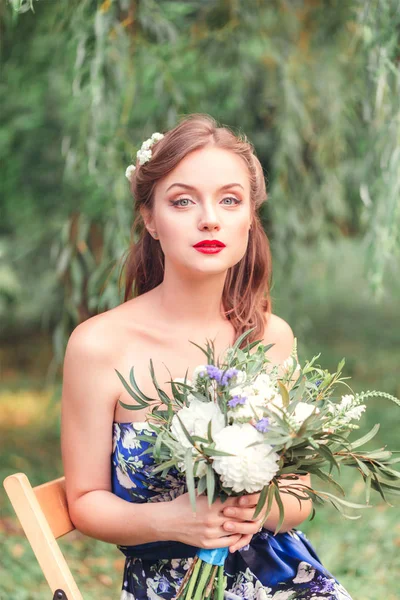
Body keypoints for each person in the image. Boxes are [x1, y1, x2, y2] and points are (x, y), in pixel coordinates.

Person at [61, 114, 353, 599]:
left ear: (248, 219)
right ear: (150, 219)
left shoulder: (270, 337)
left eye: (230, 200)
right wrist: (176, 520)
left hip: (282, 578)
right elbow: (85, 502)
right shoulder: (98, 346)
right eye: (182, 201)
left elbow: (298, 496)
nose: (210, 218)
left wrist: (256, 508)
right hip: (168, 587)